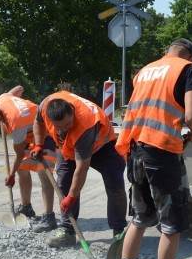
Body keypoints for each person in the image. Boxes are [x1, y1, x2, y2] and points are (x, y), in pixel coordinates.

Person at [113, 38, 192, 259]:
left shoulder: (145, 70)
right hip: (162, 152)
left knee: (140, 218)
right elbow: (191, 116)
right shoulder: (188, 69)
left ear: (167, 51)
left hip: (135, 148)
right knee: (171, 224)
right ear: (191, 56)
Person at [31, 91, 127, 248]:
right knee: (64, 183)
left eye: (67, 124)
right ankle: (67, 231)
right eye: (58, 126)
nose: (63, 129)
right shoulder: (45, 107)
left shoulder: (85, 124)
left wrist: (72, 197)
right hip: (68, 148)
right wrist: (39, 144)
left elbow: (82, 168)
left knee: (115, 184)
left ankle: (119, 232)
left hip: (102, 146)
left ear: (72, 111)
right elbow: (38, 122)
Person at [0, 86, 56, 229]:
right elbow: (20, 88)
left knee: (44, 172)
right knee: (22, 169)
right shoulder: (2, 99)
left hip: (49, 132)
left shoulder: (16, 125)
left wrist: (10, 175)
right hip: (30, 135)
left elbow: (18, 155)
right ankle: (26, 207)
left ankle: (49, 217)